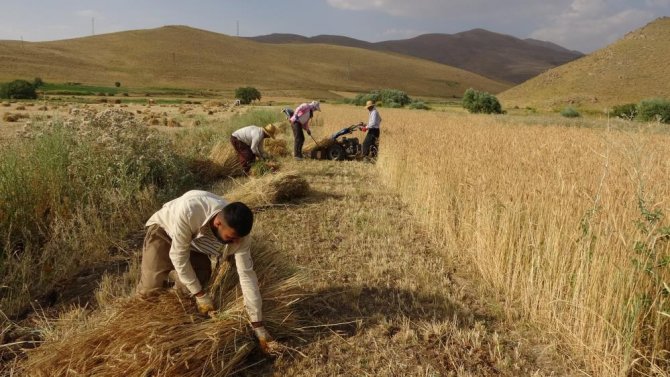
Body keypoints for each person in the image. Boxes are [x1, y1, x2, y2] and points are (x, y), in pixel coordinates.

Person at [136, 190, 275, 353]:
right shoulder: (190, 210)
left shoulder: (240, 237)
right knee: (150, 287)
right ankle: (139, 326)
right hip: (164, 233)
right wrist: (201, 295)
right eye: (232, 237)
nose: (235, 242)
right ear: (218, 223)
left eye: (238, 238)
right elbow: (179, 256)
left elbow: (247, 275)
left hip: (196, 246)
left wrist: (257, 323)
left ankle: (176, 322)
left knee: (195, 282)